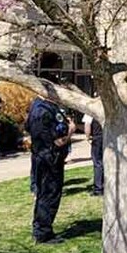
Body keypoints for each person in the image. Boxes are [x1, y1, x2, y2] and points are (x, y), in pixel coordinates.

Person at [26, 96, 73, 244]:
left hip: (47, 157)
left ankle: (43, 229)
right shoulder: (43, 110)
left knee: (47, 194)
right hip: (49, 159)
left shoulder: (41, 106)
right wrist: (70, 131)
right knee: (49, 194)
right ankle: (42, 232)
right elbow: (57, 141)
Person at [87, 114, 104, 197]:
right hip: (107, 137)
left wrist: (88, 137)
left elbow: (87, 125)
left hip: (97, 137)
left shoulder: (89, 112)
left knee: (97, 163)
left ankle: (98, 188)